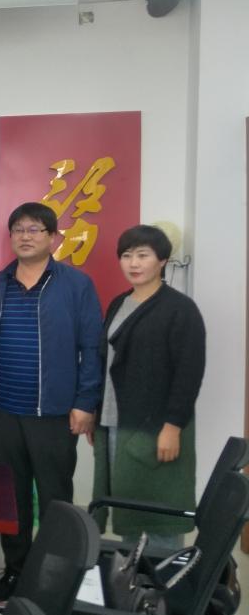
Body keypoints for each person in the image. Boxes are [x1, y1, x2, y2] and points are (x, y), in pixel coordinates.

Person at [0, 202, 102, 598]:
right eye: (18, 229)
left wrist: (85, 402)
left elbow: (92, 348)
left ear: (53, 237)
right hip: (3, 411)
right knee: (11, 498)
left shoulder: (76, 285)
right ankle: (16, 570)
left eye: (34, 229)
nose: (25, 236)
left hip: (54, 412)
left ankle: (51, 576)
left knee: (54, 497)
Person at [91, 225, 205, 550]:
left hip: (157, 426)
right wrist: (98, 413)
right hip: (116, 421)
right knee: (128, 506)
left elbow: (189, 373)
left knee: (158, 511)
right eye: (127, 256)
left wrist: (173, 426)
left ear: (162, 260)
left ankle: (162, 578)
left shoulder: (180, 309)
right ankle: (133, 577)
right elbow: (106, 361)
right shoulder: (119, 303)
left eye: (143, 255)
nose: (134, 263)